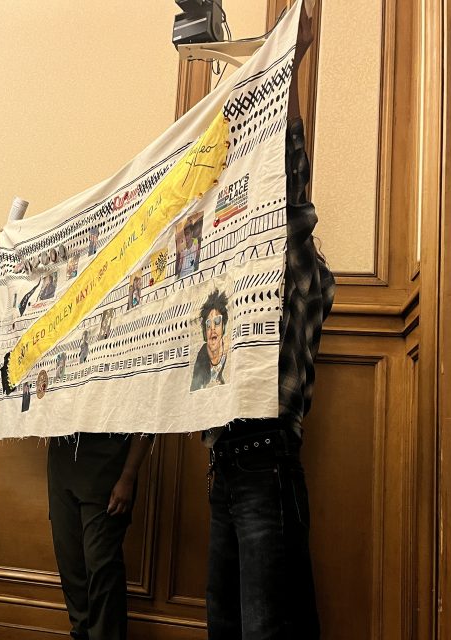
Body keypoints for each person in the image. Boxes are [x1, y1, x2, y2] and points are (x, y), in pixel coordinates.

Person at [203, 114, 334, 640]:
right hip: (226, 467)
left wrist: (286, 79)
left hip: (266, 461)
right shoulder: (237, 283)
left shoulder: (300, 268)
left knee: (266, 627)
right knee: (225, 623)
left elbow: (292, 190)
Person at [48, 433, 152, 640]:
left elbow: (148, 422)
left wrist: (128, 476)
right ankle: (81, 634)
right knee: (71, 565)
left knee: (101, 566)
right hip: (62, 459)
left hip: (109, 463)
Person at [190, 289, 229, 391]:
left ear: (223, 326)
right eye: (208, 324)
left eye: (217, 321)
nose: (212, 328)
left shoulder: (229, 355)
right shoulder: (201, 356)